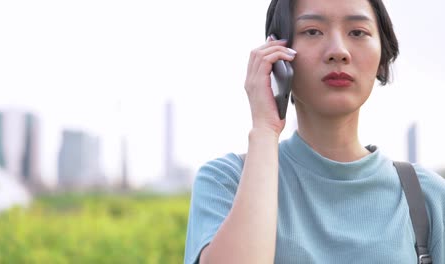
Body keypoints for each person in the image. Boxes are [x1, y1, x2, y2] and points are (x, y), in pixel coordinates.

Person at [184, 0, 445, 263]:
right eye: (312, 31)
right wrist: (264, 129)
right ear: (278, 55)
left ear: (382, 55)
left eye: (357, 32)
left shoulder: (427, 196)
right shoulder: (227, 181)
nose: (339, 52)